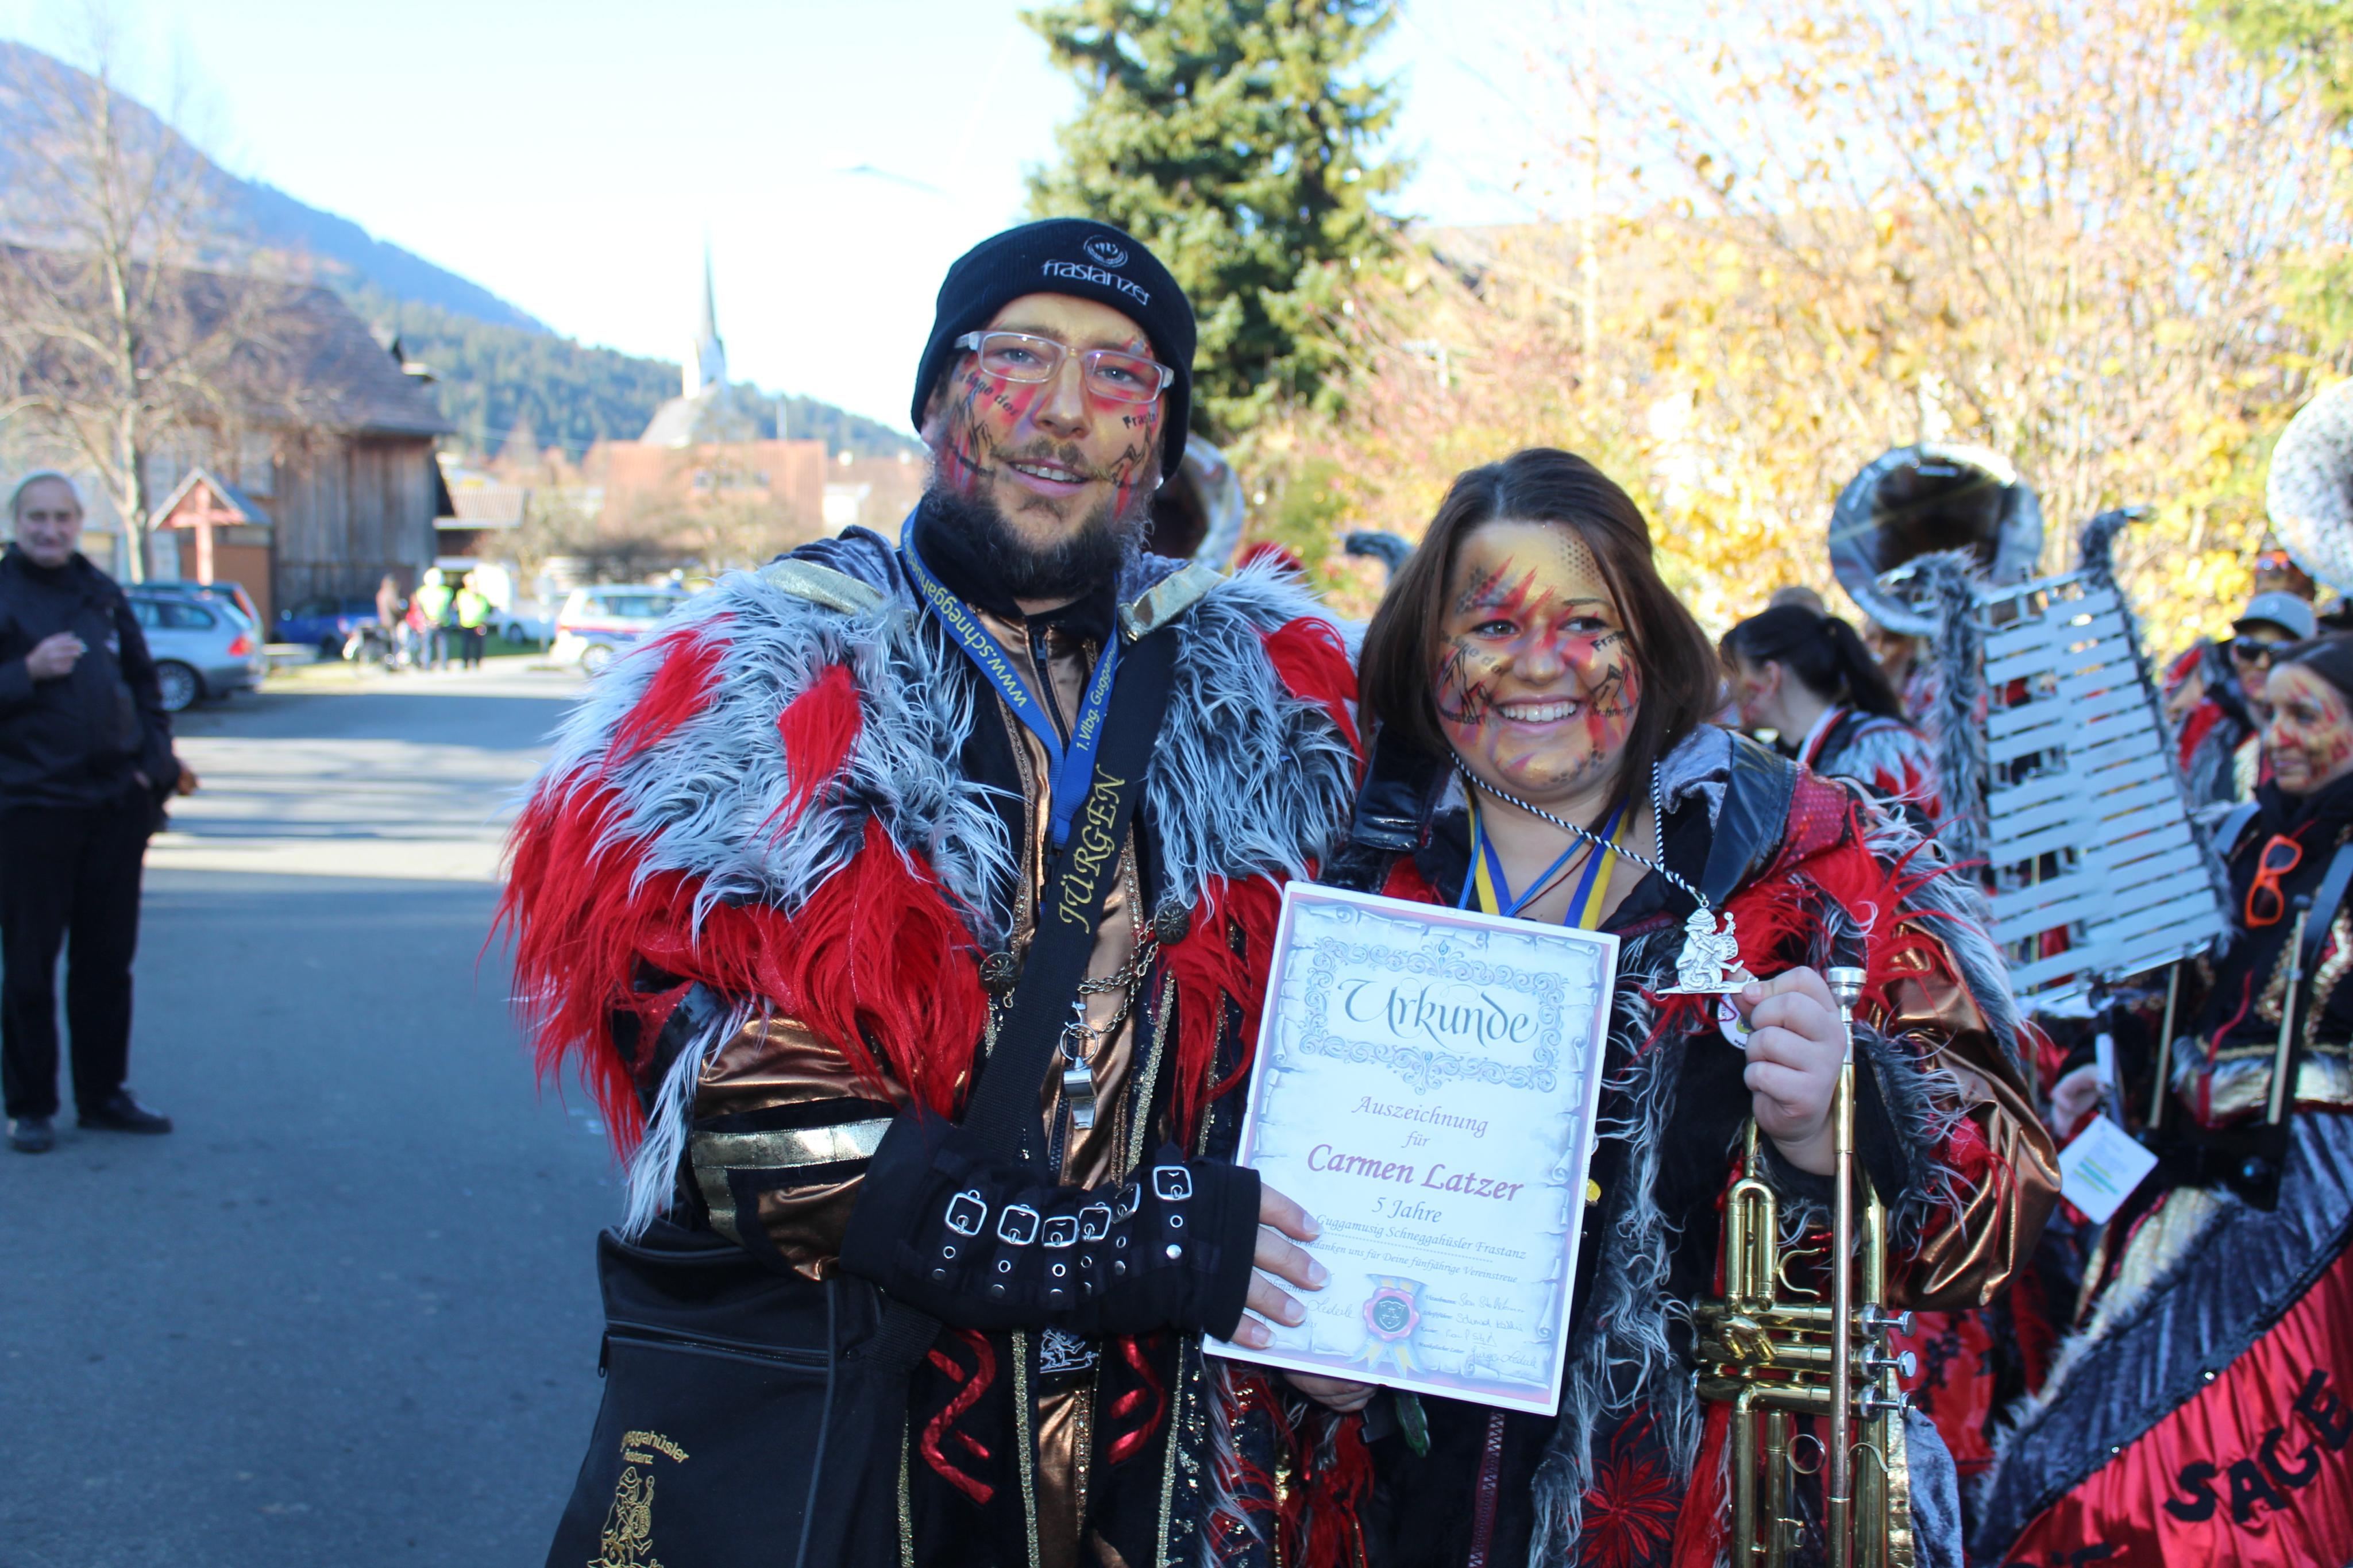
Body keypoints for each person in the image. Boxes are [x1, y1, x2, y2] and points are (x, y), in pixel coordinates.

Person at [501, 219, 1367, 1568]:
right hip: (874, 1463)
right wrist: (1094, 1252)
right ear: (931, 399)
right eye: (1017, 355)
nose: (1065, 409)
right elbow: (724, 1104)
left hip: (1176, 1469)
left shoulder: (1273, 697)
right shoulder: (764, 677)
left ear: (1160, 437)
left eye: (1120, 372)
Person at [1307, 447, 2054, 1566]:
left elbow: (1999, 1210)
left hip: (1713, 1523)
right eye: (1493, 624)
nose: (1540, 663)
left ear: (1649, 640)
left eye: (1585, 623)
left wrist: (1848, 1119)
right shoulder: (1344, 859)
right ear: (1427, 646)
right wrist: (1298, 1320)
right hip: (1392, 1516)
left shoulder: (1812, 856)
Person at [1977, 633, 2353, 1566]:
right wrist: (2105, 1065)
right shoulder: (2243, 839)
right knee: (2085, 1459)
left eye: (2305, 716)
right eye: (2270, 712)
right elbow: (2186, 1004)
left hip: (2308, 1218)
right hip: (2182, 1189)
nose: (2277, 735)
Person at [0, 472, 193, 1153]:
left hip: (114, 807)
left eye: (62, 517)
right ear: (16, 523)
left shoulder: (101, 593)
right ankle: (31, 1106)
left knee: (107, 964)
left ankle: (104, 1095)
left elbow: (146, 686)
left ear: (79, 522)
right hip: (30, 809)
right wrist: (26, 672)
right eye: (36, 517)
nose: (49, 530)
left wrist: (154, 768)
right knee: (29, 967)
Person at [1722, 601, 1944, 826]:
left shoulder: (1886, 752)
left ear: (1771, 677)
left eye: (1735, 673)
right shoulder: (1769, 765)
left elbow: (1923, 844)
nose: (1729, 689)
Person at [2174, 590, 2316, 809]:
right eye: (2249, 650)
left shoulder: (2322, 735)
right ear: (2234, 654)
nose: (2261, 663)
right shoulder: (2208, 729)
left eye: (2279, 653)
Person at [412, 567, 452, 670]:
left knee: (436, 644)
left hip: (438, 622)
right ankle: (433, 665)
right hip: (433, 622)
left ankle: (435, 665)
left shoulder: (444, 592)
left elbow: (446, 608)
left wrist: (433, 620)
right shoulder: (445, 592)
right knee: (432, 644)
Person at [453, 573, 489, 670]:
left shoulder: (481, 597)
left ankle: (478, 662)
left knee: (479, 646)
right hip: (466, 624)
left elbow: (484, 609)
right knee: (466, 645)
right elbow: (458, 607)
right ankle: (465, 662)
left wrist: (483, 621)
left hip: (478, 624)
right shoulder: (462, 594)